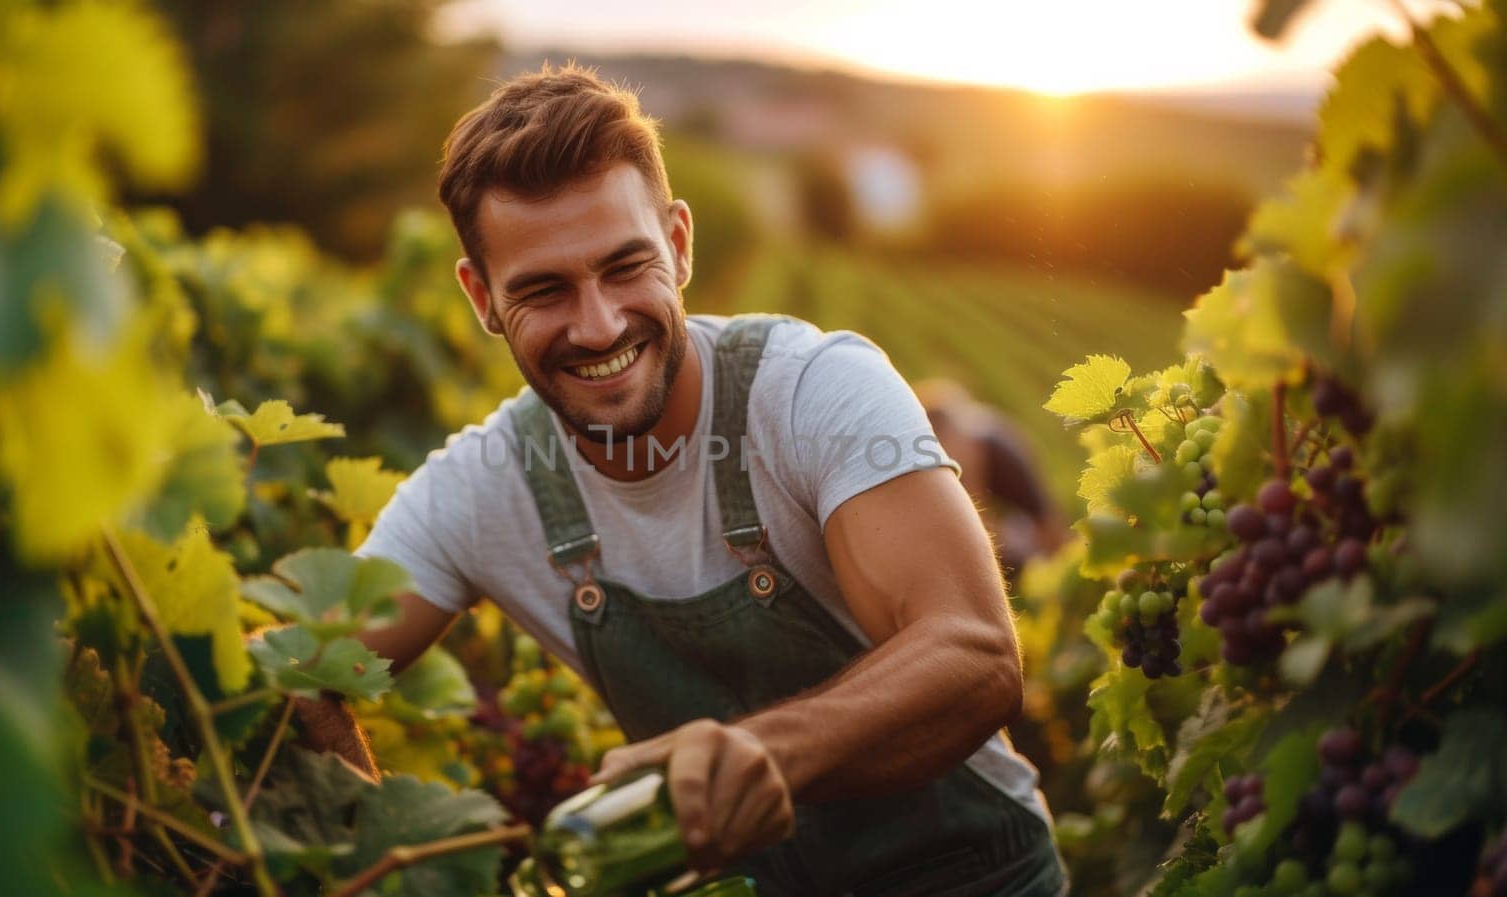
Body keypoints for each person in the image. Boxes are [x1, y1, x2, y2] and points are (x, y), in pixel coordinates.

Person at [334, 63, 1065, 896]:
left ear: (678, 245)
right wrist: (380, 853)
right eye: (543, 290)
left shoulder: (811, 388)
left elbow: (976, 653)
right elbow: (303, 675)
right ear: (481, 297)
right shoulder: (482, 485)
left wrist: (768, 754)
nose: (599, 323)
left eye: (624, 266)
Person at [913, 379, 1068, 583]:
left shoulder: (1002, 455)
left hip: (1022, 526)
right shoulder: (947, 446)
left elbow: (1047, 525)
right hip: (1008, 521)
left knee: (1045, 545)